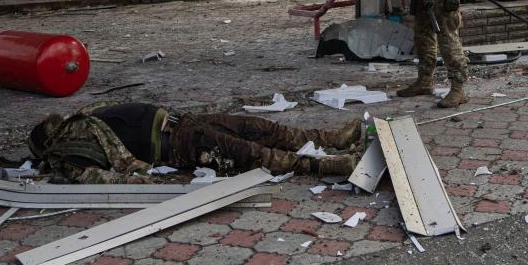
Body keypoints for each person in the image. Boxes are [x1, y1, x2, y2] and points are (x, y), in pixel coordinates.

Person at [28, 102, 363, 184]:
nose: (55, 120)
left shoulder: (79, 124)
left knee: (260, 127)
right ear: (49, 139)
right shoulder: (67, 151)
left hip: (182, 121)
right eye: (49, 125)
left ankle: (332, 138)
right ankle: (329, 164)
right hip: (177, 145)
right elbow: (98, 178)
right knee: (249, 153)